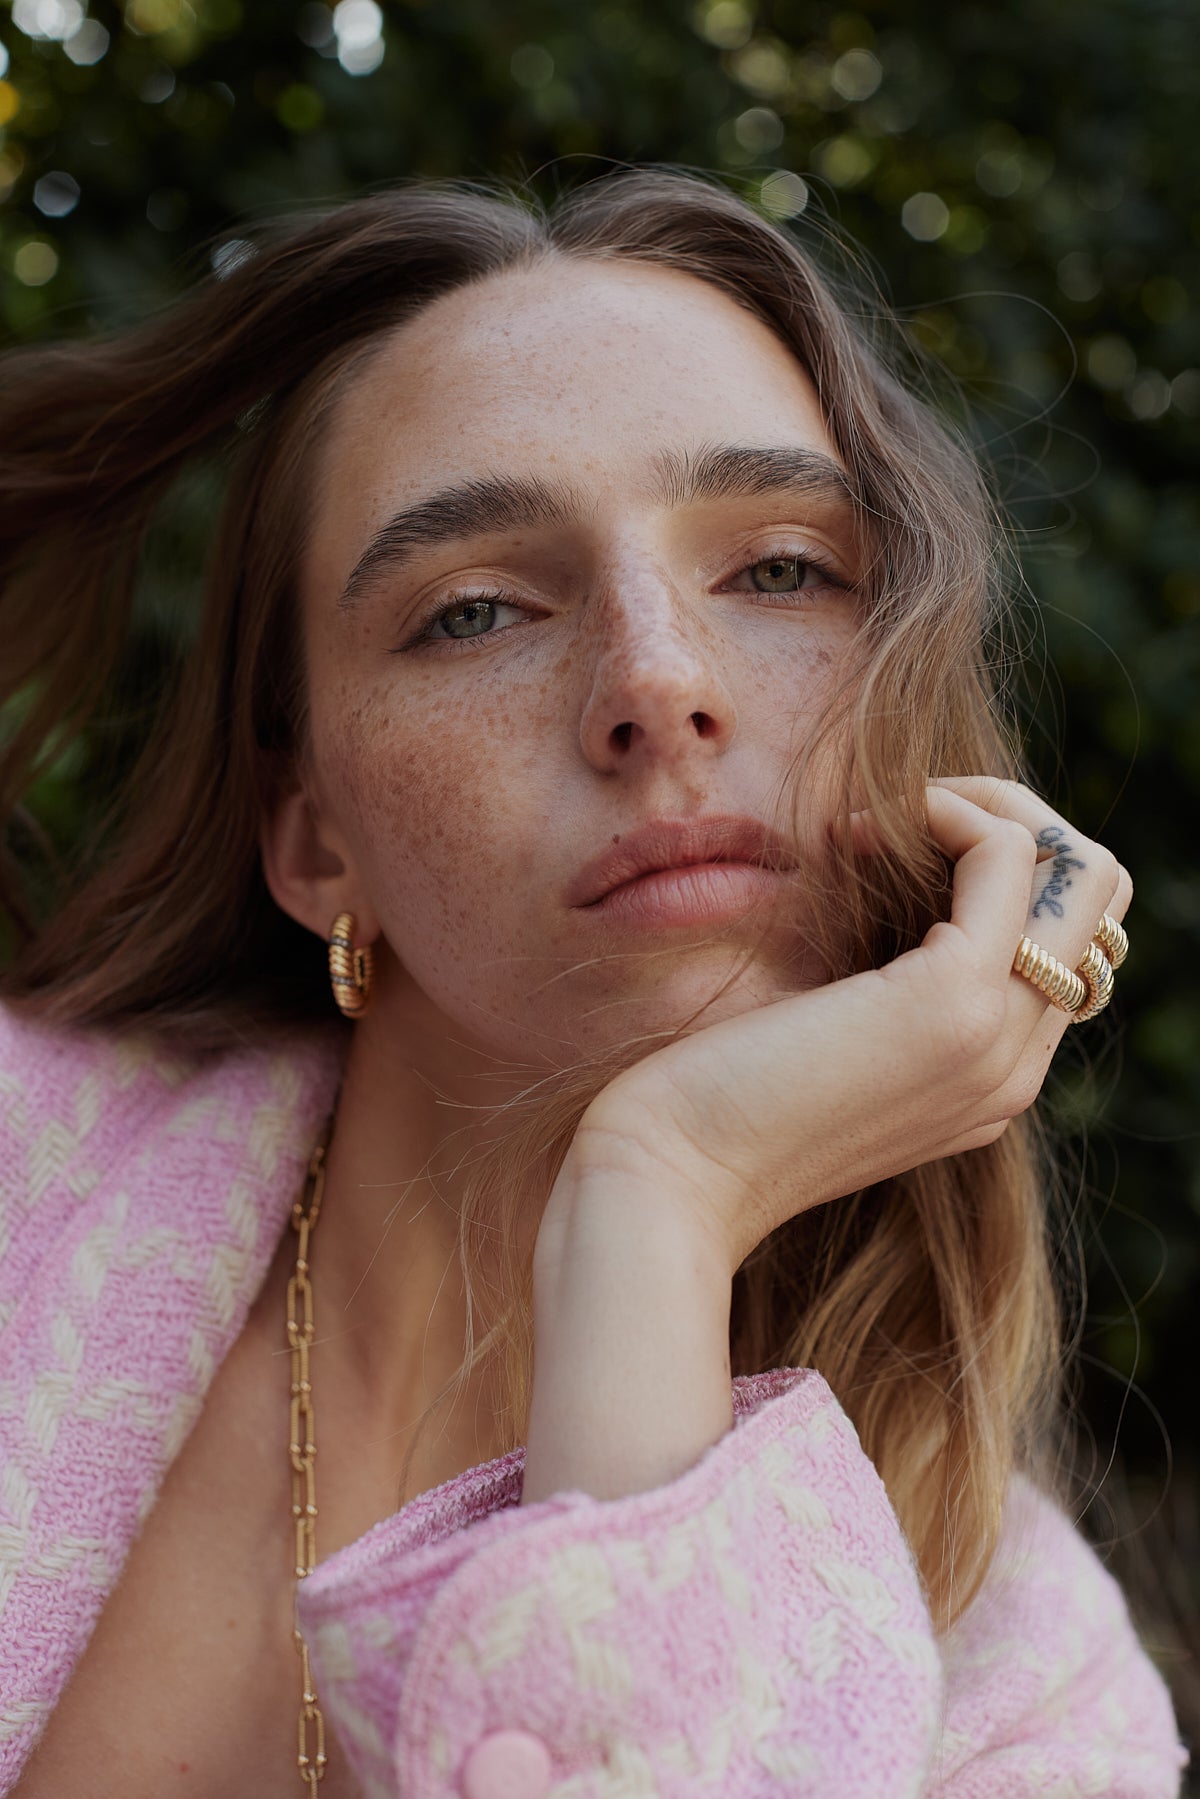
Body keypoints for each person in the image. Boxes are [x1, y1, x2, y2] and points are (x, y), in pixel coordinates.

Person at [0, 166, 1187, 1798]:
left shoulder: (1028, 1693)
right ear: (316, 840)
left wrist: (664, 1192)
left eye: (780, 570)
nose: (658, 680)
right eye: (475, 610)